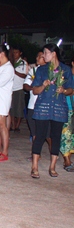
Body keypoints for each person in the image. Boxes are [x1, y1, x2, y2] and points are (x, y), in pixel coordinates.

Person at [31, 43, 73, 178]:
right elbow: (35, 90)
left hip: (59, 108)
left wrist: (64, 90)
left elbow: (71, 90)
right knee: (40, 136)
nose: (44, 55)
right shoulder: (42, 70)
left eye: (46, 53)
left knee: (56, 137)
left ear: (53, 54)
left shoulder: (66, 70)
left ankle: (52, 167)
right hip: (43, 107)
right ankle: (35, 167)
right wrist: (43, 86)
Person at [24, 50, 50, 159]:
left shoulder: (51, 72)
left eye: (40, 56)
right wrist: (34, 88)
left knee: (48, 135)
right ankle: (35, 154)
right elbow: (25, 85)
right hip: (32, 105)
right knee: (34, 132)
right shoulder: (33, 70)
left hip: (45, 106)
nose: (37, 59)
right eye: (37, 57)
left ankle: (54, 153)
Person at [60, 56, 74, 172]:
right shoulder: (67, 76)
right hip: (67, 108)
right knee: (66, 136)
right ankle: (67, 160)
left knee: (71, 137)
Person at [9, 46, 28, 132]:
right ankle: (12, 125)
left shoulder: (23, 63)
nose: (15, 54)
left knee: (19, 108)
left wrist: (15, 71)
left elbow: (24, 75)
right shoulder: (11, 63)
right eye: (14, 52)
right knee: (11, 108)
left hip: (19, 88)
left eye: (16, 52)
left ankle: (17, 126)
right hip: (11, 88)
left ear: (20, 53)